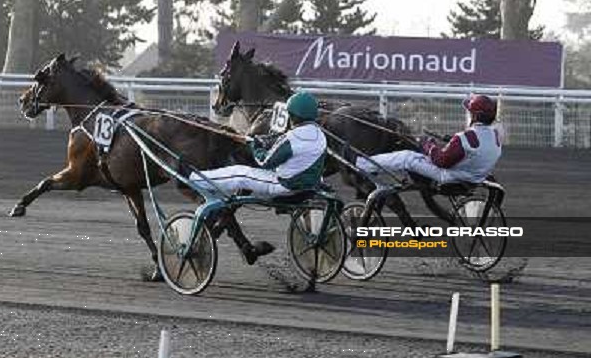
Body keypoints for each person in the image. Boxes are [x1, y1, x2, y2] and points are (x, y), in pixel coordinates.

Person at [188, 91, 327, 264]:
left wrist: (255, 145)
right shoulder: (320, 135)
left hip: (284, 187)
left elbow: (264, 161)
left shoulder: (292, 137)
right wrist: (267, 142)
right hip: (310, 186)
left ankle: (195, 178)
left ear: (293, 116)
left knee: (241, 173)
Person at [353, 94, 502, 185]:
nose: (469, 114)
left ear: (475, 116)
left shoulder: (464, 137)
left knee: (407, 157)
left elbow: (441, 161)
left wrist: (430, 145)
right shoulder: (495, 136)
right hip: (476, 176)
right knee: (416, 156)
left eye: (470, 112)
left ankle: (361, 164)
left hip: (450, 176)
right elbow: (475, 148)